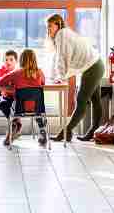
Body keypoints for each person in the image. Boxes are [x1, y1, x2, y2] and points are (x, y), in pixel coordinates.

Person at [46, 14, 105, 142]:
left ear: (58, 25)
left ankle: (66, 132)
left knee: (81, 99)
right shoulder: (64, 34)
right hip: (95, 64)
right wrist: (56, 76)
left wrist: (60, 77)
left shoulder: (61, 35)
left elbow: (63, 57)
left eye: (50, 26)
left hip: (93, 67)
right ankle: (92, 132)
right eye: (47, 27)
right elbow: (58, 57)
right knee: (95, 100)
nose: (48, 29)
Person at [0, 49, 48, 146]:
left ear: (21, 60)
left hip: (19, 109)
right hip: (37, 108)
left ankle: (15, 123)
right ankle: (42, 129)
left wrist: (13, 86)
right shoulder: (40, 72)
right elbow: (43, 83)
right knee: (35, 104)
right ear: (34, 60)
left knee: (2, 101)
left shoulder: (17, 73)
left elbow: (0, 83)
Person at [0, 50, 21, 143]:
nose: (8, 62)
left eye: (11, 60)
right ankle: (15, 123)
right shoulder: (3, 71)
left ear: (16, 61)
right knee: (2, 103)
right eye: (6, 60)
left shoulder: (18, 72)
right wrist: (1, 73)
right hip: (6, 97)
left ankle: (14, 125)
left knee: (13, 105)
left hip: (16, 98)